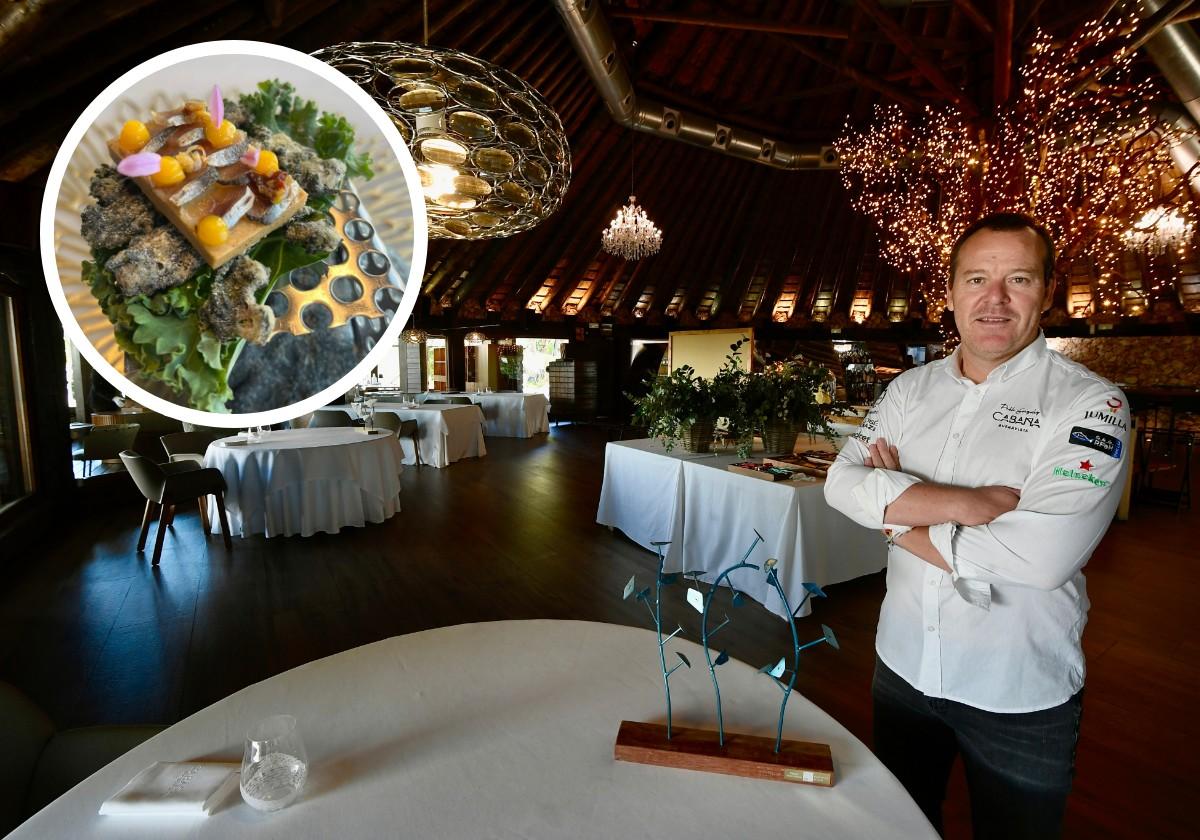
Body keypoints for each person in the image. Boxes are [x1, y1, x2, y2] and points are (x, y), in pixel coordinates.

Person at [824, 213, 1130, 839]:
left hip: (1018, 685)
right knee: (900, 826)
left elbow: (1040, 559)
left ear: (1046, 293)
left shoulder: (1092, 403)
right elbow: (839, 483)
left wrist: (894, 518)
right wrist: (966, 505)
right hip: (903, 664)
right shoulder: (909, 390)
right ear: (952, 291)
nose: (994, 299)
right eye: (976, 278)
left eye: (1017, 278)